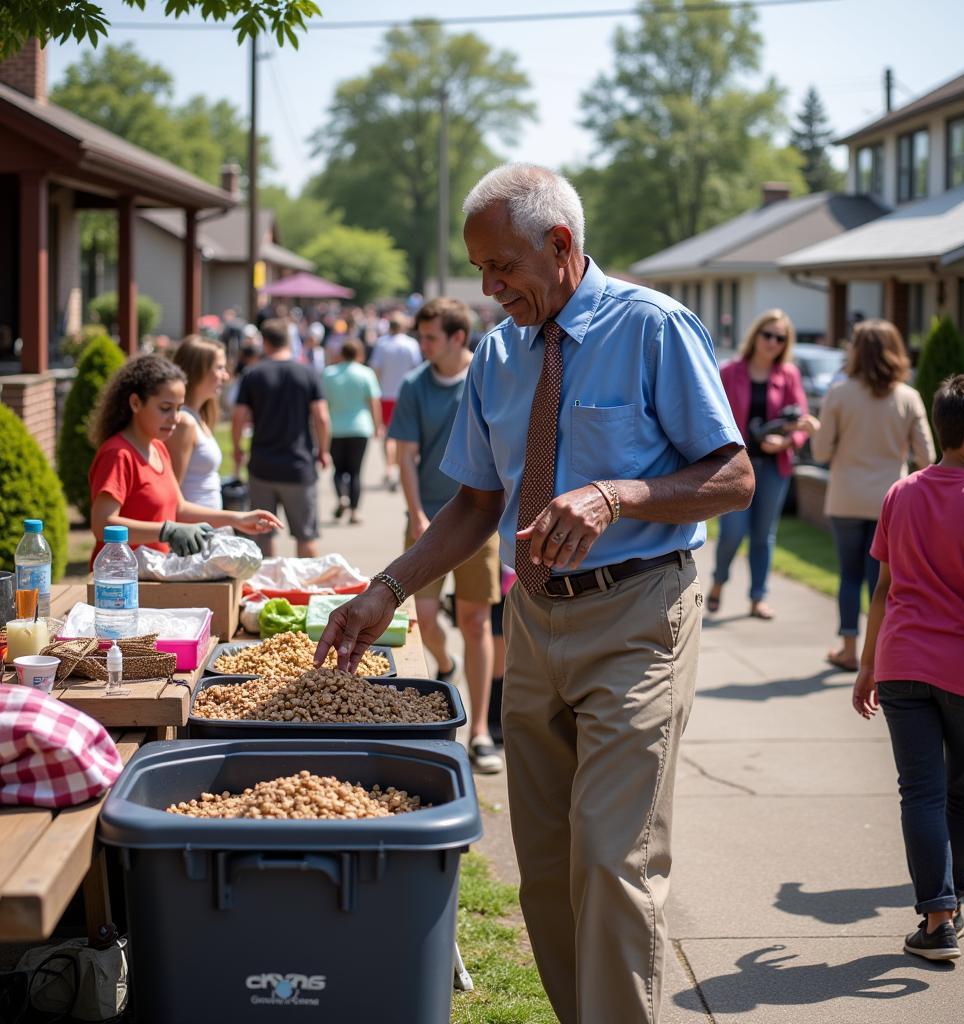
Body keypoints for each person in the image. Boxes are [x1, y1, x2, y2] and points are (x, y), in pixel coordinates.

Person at [315, 163, 753, 1024]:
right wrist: (387, 590)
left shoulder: (654, 327)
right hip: (535, 619)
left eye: (500, 267)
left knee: (610, 860)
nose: (488, 288)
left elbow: (733, 475)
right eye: (478, 269)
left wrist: (618, 492)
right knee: (545, 871)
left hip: (639, 615)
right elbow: (477, 500)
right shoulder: (500, 355)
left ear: (560, 246)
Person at [852, 374, 964, 961]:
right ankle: (948, 908)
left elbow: (882, 588)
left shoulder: (901, 494)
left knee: (920, 794)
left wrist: (867, 664)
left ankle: (937, 918)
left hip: (901, 663)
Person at [389, 297, 503, 774]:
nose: (422, 344)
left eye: (431, 336)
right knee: (426, 617)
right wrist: (416, 512)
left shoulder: (491, 375)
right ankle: (445, 665)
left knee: (476, 623)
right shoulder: (416, 384)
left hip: (484, 519)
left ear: (459, 338)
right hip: (430, 518)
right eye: (421, 335)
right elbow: (407, 455)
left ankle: (479, 729)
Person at [810, 320, 934, 670]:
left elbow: (820, 453)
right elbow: (927, 456)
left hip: (847, 497)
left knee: (849, 576)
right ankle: (879, 654)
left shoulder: (839, 393)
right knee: (883, 582)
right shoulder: (908, 397)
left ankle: (849, 649)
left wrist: (819, 432)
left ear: (857, 352)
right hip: (891, 502)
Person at [87, 354, 282, 565]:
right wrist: (166, 531)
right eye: (165, 408)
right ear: (135, 403)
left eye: (179, 408)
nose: (175, 418)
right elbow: (102, 525)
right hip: (118, 582)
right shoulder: (118, 454)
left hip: (152, 573)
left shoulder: (158, 448)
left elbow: (178, 509)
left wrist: (237, 519)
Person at [709, 309, 815, 620]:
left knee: (763, 535)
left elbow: (801, 422)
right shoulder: (730, 372)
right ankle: (718, 581)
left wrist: (786, 442)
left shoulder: (789, 375)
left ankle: (758, 598)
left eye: (779, 338)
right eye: (767, 335)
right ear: (755, 335)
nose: (772, 342)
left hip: (773, 468)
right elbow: (714, 415)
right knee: (732, 532)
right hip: (734, 467)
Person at [231, 319, 331, 558]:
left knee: (263, 534)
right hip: (298, 465)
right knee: (306, 535)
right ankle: (307, 591)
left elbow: (238, 416)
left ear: (264, 343)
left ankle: (267, 589)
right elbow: (322, 417)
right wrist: (324, 450)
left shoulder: (253, 374)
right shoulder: (307, 372)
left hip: (262, 466)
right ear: (288, 340)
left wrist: (237, 447)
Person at [321, 338, 383, 525]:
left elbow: (323, 402)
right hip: (360, 427)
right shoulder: (365, 373)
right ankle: (355, 511)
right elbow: (373, 401)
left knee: (338, 469)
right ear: (359, 354)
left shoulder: (329, 373)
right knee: (356, 471)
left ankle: (342, 497)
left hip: (335, 428)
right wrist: (377, 425)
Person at [166, 336, 231, 508]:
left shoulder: (198, 416)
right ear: (197, 370)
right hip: (196, 531)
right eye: (219, 368)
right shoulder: (183, 422)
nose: (226, 375)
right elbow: (172, 494)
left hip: (209, 528)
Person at [369, 312, 422, 490]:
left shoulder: (382, 343)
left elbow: (376, 369)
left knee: (388, 435)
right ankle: (401, 469)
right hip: (406, 394)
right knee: (404, 436)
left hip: (386, 394)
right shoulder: (411, 344)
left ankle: (389, 468)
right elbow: (417, 368)